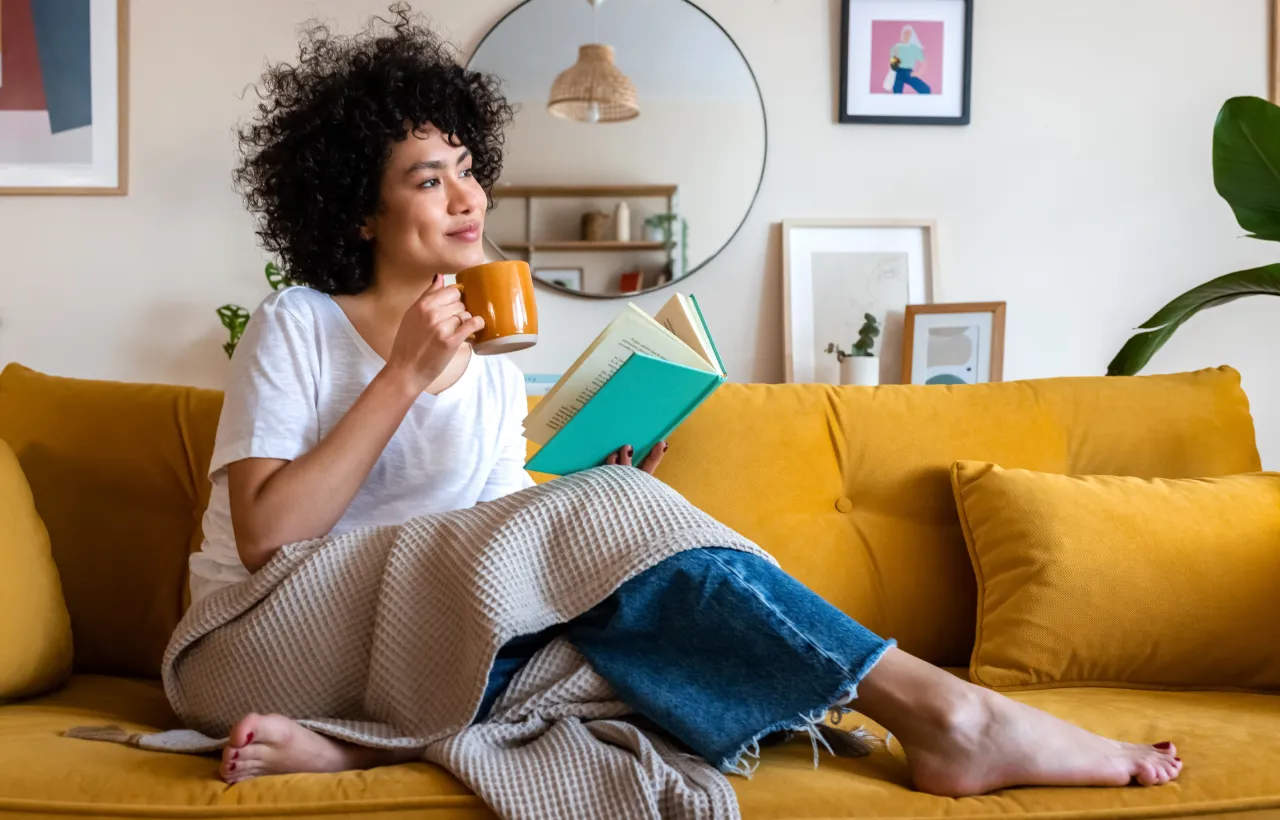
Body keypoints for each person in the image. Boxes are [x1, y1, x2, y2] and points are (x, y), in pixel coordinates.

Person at [189, 5, 1183, 796]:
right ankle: (950, 712)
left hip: (413, 646)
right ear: (360, 212)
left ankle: (362, 745)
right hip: (259, 642)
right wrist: (402, 376)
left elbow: (487, 544)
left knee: (633, 641)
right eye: (426, 178)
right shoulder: (299, 325)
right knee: (623, 614)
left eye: (468, 169)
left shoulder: (492, 364)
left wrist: (591, 490)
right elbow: (271, 536)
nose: (467, 199)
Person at [890, 25, 932, 94]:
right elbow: (893, 66)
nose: (906, 36)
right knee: (896, 94)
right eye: (905, 33)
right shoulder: (895, 47)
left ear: (912, 36)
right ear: (902, 34)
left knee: (926, 90)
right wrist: (895, 55)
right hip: (898, 73)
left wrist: (918, 73)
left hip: (909, 73)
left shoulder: (915, 48)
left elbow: (924, 64)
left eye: (909, 34)